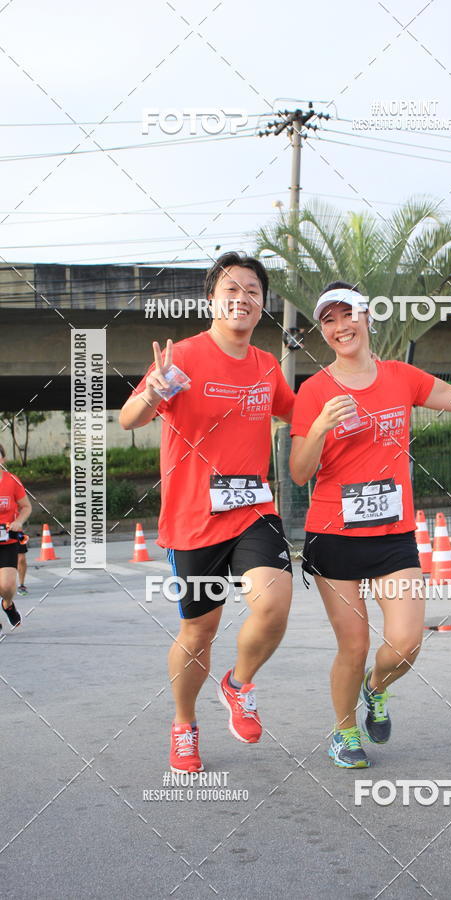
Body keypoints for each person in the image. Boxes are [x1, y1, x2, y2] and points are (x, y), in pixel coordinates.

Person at [290, 283, 451, 768]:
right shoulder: (313, 390)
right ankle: (343, 732)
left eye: (347, 315)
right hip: (333, 535)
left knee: (406, 643)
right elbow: (298, 473)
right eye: (328, 320)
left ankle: (376, 688)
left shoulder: (400, 377)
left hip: (393, 535)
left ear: (367, 317)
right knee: (352, 645)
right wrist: (317, 429)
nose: (339, 327)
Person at [119, 252, 295, 773]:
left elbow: (295, 410)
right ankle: (184, 724)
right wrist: (153, 389)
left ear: (263, 304)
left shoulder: (266, 366)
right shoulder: (183, 358)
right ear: (212, 300)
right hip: (194, 519)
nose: (242, 297)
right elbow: (131, 418)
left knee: (274, 603)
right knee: (199, 632)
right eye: (231, 289)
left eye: (253, 290)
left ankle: (238, 684)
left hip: (253, 508)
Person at [0, 444, 33, 632]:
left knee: (6, 586)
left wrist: (19, 521)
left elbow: (26, 507)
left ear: (2, 459)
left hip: (8, 540)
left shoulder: (11, 480)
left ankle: (7, 604)